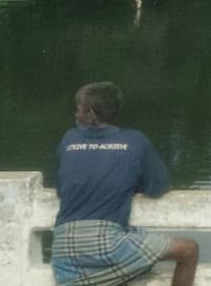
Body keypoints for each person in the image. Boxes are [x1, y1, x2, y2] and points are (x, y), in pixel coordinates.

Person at [51, 82, 199, 286]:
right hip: (107, 245)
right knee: (188, 250)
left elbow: (61, 187)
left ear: (91, 113)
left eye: (78, 110)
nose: (76, 116)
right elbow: (158, 187)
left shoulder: (69, 139)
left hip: (63, 248)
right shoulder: (135, 141)